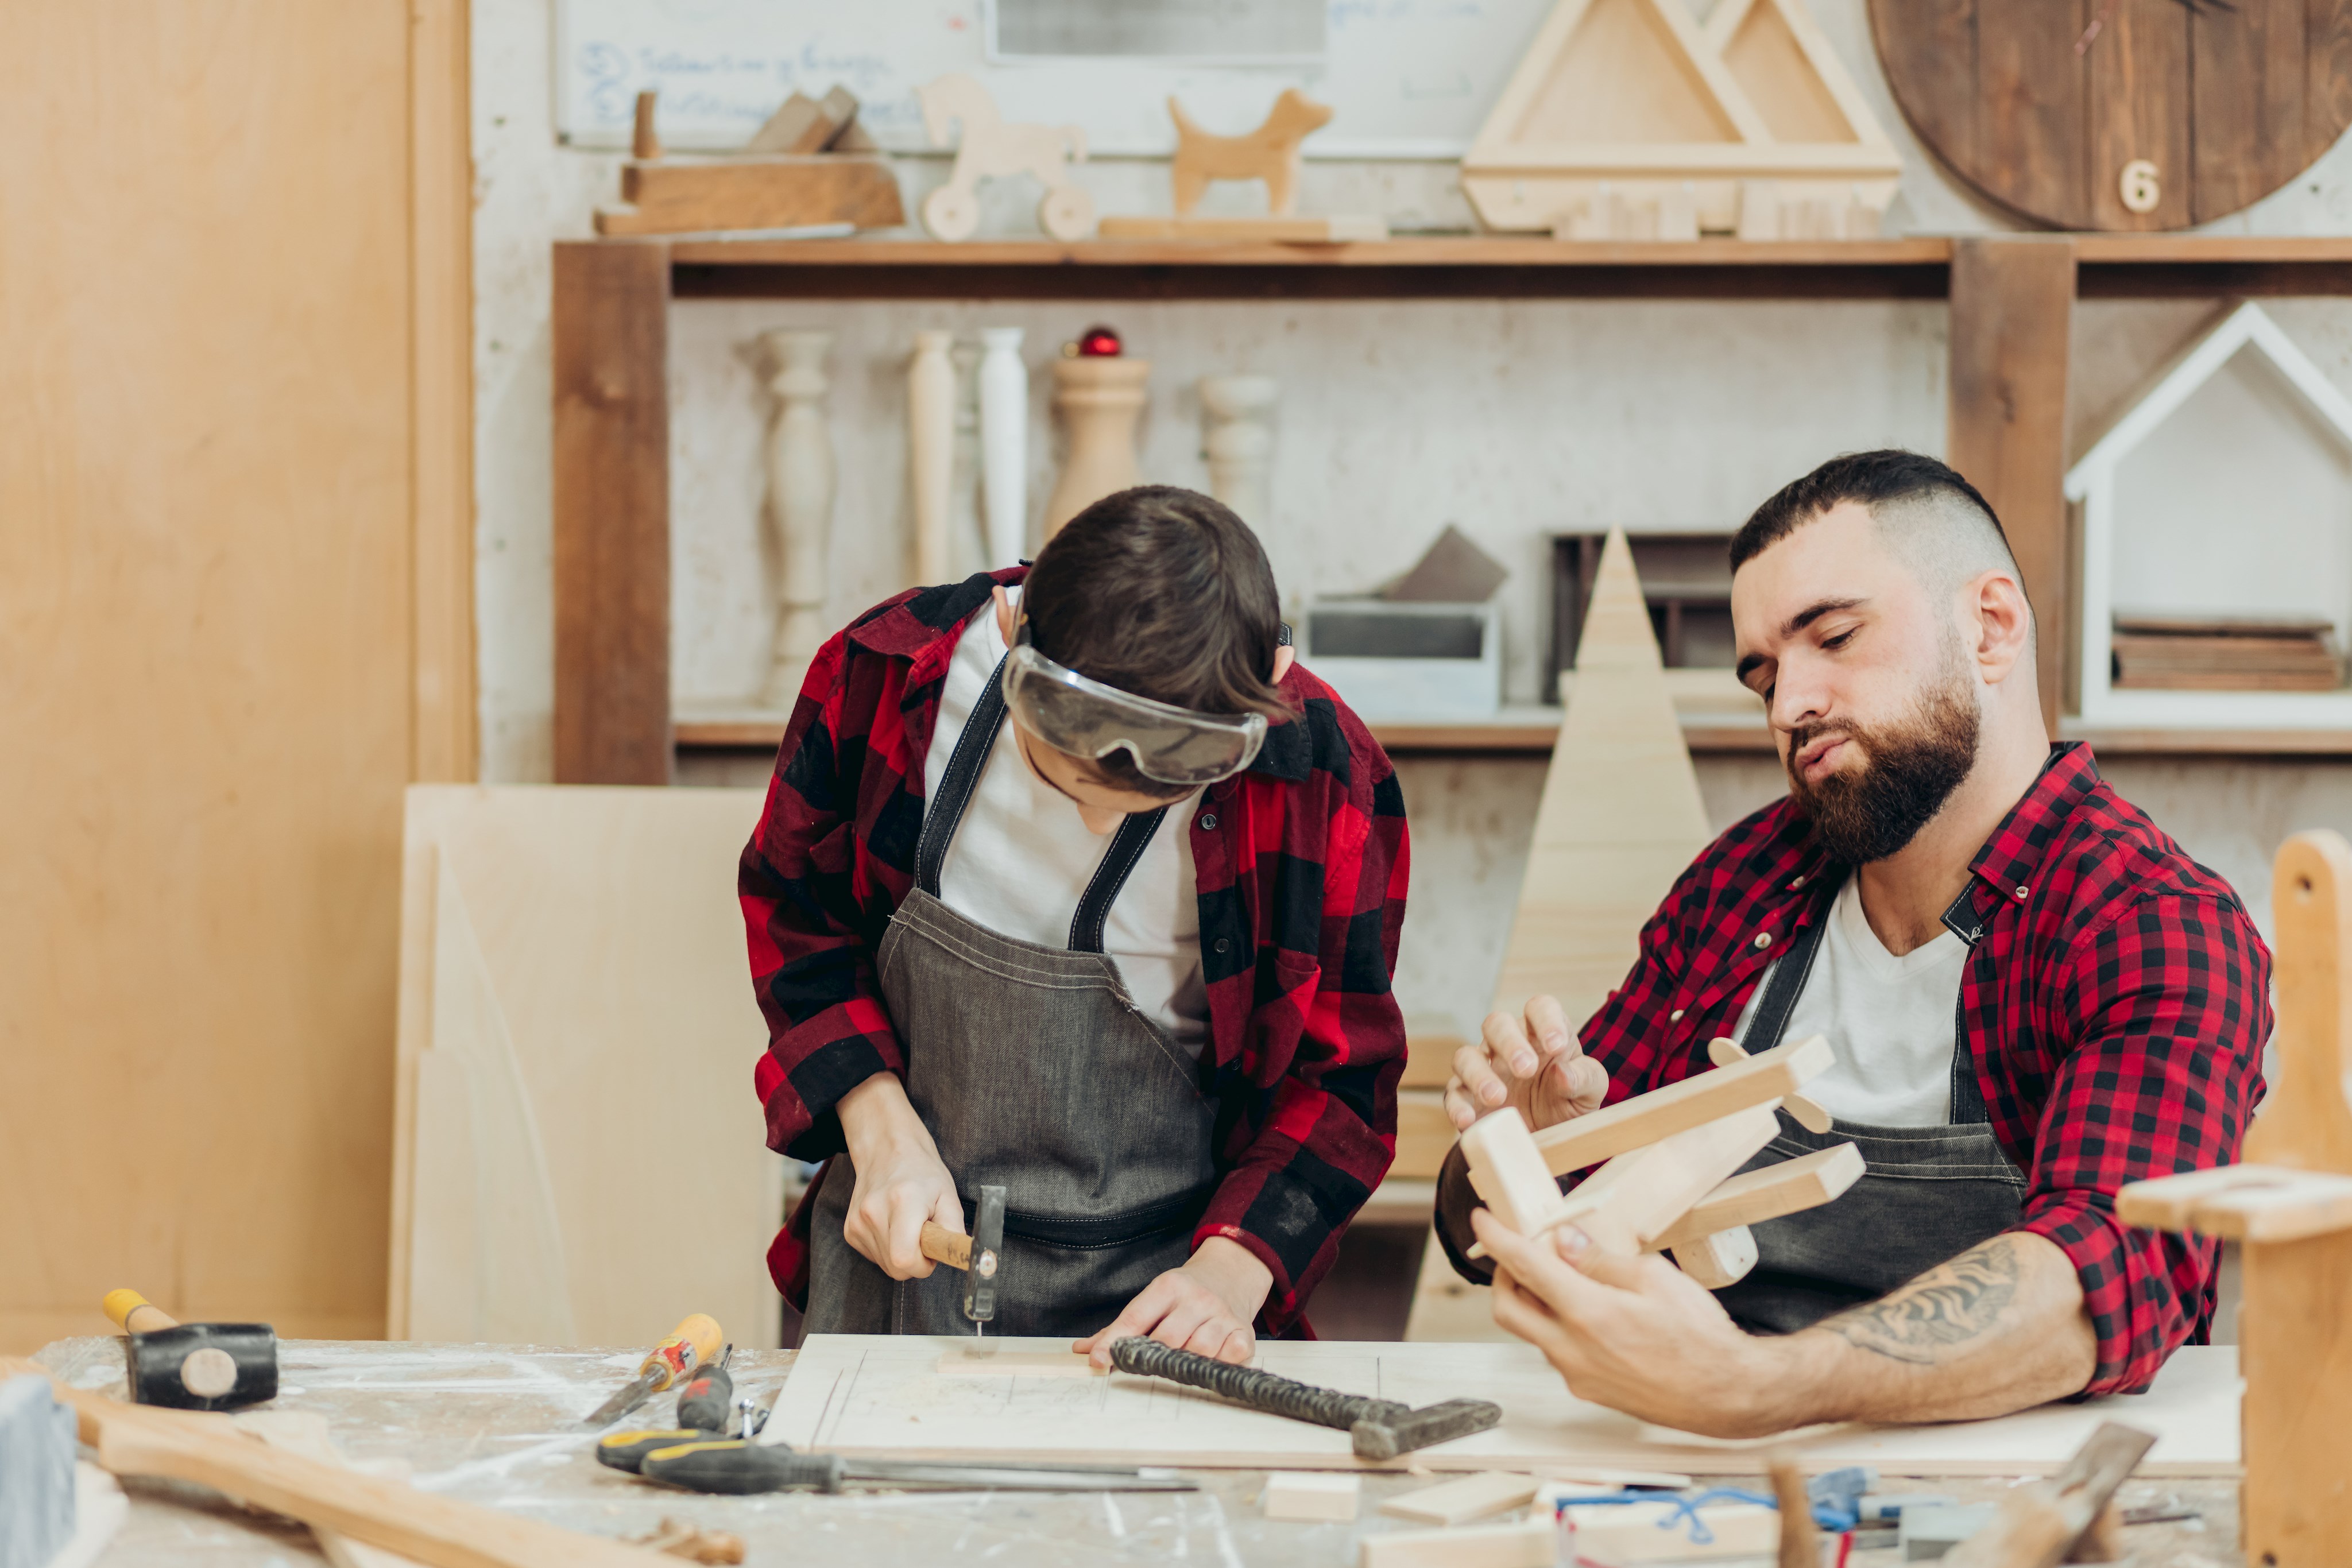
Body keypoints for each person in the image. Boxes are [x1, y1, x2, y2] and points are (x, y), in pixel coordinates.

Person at [1434, 450, 2270, 1436]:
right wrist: (1522, 1153)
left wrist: (1756, 1388)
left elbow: (2116, 1268)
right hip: (1697, 1468)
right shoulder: (1744, 884)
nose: (1791, 706)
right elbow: (1488, 1241)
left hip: (2013, 1478)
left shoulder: (2150, 921)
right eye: (1766, 677)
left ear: (1991, 628)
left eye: (1833, 637)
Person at [741, 485, 1408, 1366]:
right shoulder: (883, 673)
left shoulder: (1320, 776)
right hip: (900, 1256)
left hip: (1161, 1300)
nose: (1095, 825)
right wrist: (877, 1126)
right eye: (1066, 774)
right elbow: (799, 918)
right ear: (1016, 632)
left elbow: (1343, 1082)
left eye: (1150, 796)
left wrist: (1232, 1274)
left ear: (1270, 687)